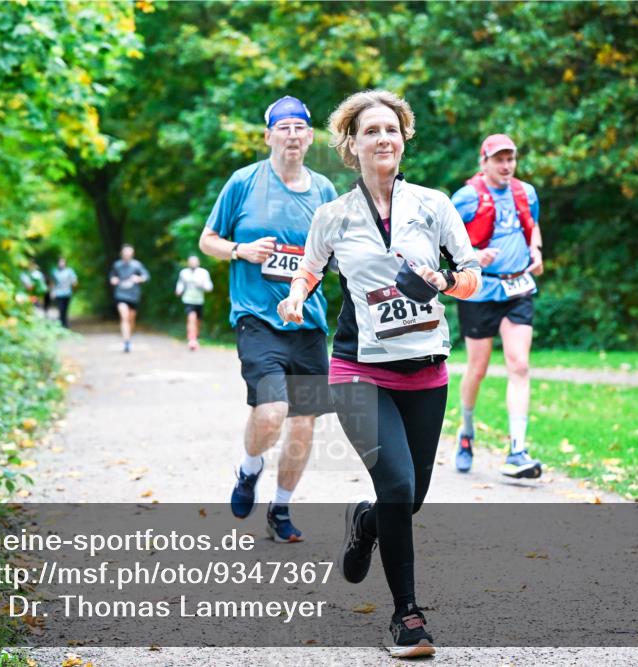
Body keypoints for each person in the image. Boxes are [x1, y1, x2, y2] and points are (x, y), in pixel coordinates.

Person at [278, 90, 480, 657]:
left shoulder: (435, 205)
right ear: (351, 143)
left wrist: (442, 282)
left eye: (391, 129)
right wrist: (295, 299)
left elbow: (471, 278)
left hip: (426, 371)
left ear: (404, 137)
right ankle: (407, 617)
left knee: (406, 499)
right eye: (371, 131)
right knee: (396, 485)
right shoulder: (333, 215)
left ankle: (366, 524)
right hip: (358, 370)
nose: (383, 138)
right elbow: (309, 271)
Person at [199, 95, 338, 543]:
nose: (293, 135)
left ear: (310, 137)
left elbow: (336, 254)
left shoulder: (324, 191)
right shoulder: (243, 182)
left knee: (303, 423)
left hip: (309, 323)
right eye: (284, 128)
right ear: (268, 136)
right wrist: (241, 250)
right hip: (257, 318)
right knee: (273, 410)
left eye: (300, 127)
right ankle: (249, 467)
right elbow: (208, 240)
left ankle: (280, 507)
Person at [449, 134, 544, 479]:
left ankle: (518, 449)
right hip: (480, 289)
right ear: (484, 161)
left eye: (511, 159)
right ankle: (466, 431)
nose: (506, 166)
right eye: (499, 159)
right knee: (478, 368)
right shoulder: (467, 197)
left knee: (519, 365)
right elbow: (443, 241)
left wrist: (537, 252)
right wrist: (471, 256)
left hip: (518, 286)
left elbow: (532, 228)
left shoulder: (526, 192)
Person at [109, 244, 150, 353]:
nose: (127, 255)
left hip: (133, 295)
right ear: (122, 254)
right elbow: (112, 277)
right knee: (124, 317)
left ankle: (128, 338)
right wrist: (113, 280)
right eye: (125, 253)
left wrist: (139, 278)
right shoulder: (117, 265)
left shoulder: (137, 265)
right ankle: (126, 342)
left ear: (132, 254)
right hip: (121, 294)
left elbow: (146, 277)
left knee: (131, 319)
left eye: (129, 253)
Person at [175, 255, 214, 350]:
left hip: (199, 301)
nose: (193, 263)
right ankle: (191, 340)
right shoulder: (183, 273)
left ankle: (195, 338)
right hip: (188, 300)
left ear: (198, 263)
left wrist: (201, 285)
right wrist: (178, 290)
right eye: (191, 261)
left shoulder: (203, 273)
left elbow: (210, 287)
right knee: (191, 318)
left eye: (195, 261)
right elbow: (180, 284)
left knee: (197, 321)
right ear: (188, 263)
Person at [50, 257, 78, 329]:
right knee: (61, 309)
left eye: (62, 262)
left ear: (65, 263)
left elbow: (74, 281)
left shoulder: (69, 271)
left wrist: (74, 287)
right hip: (58, 293)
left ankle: (65, 324)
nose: (61, 264)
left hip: (67, 293)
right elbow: (52, 283)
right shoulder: (55, 272)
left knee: (65, 309)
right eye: (60, 262)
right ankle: (62, 324)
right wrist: (52, 292)